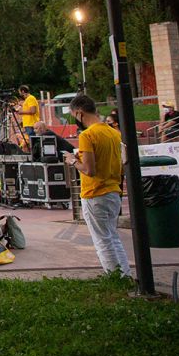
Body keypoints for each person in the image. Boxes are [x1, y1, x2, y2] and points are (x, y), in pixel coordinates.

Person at [64, 94, 131, 278]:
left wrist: (72, 161)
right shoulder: (113, 133)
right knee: (113, 237)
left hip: (95, 193)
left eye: (74, 115)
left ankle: (114, 278)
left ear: (79, 113)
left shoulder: (87, 135)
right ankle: (124, 274)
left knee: (102, 241)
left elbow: (89, 169)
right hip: (113, 191)